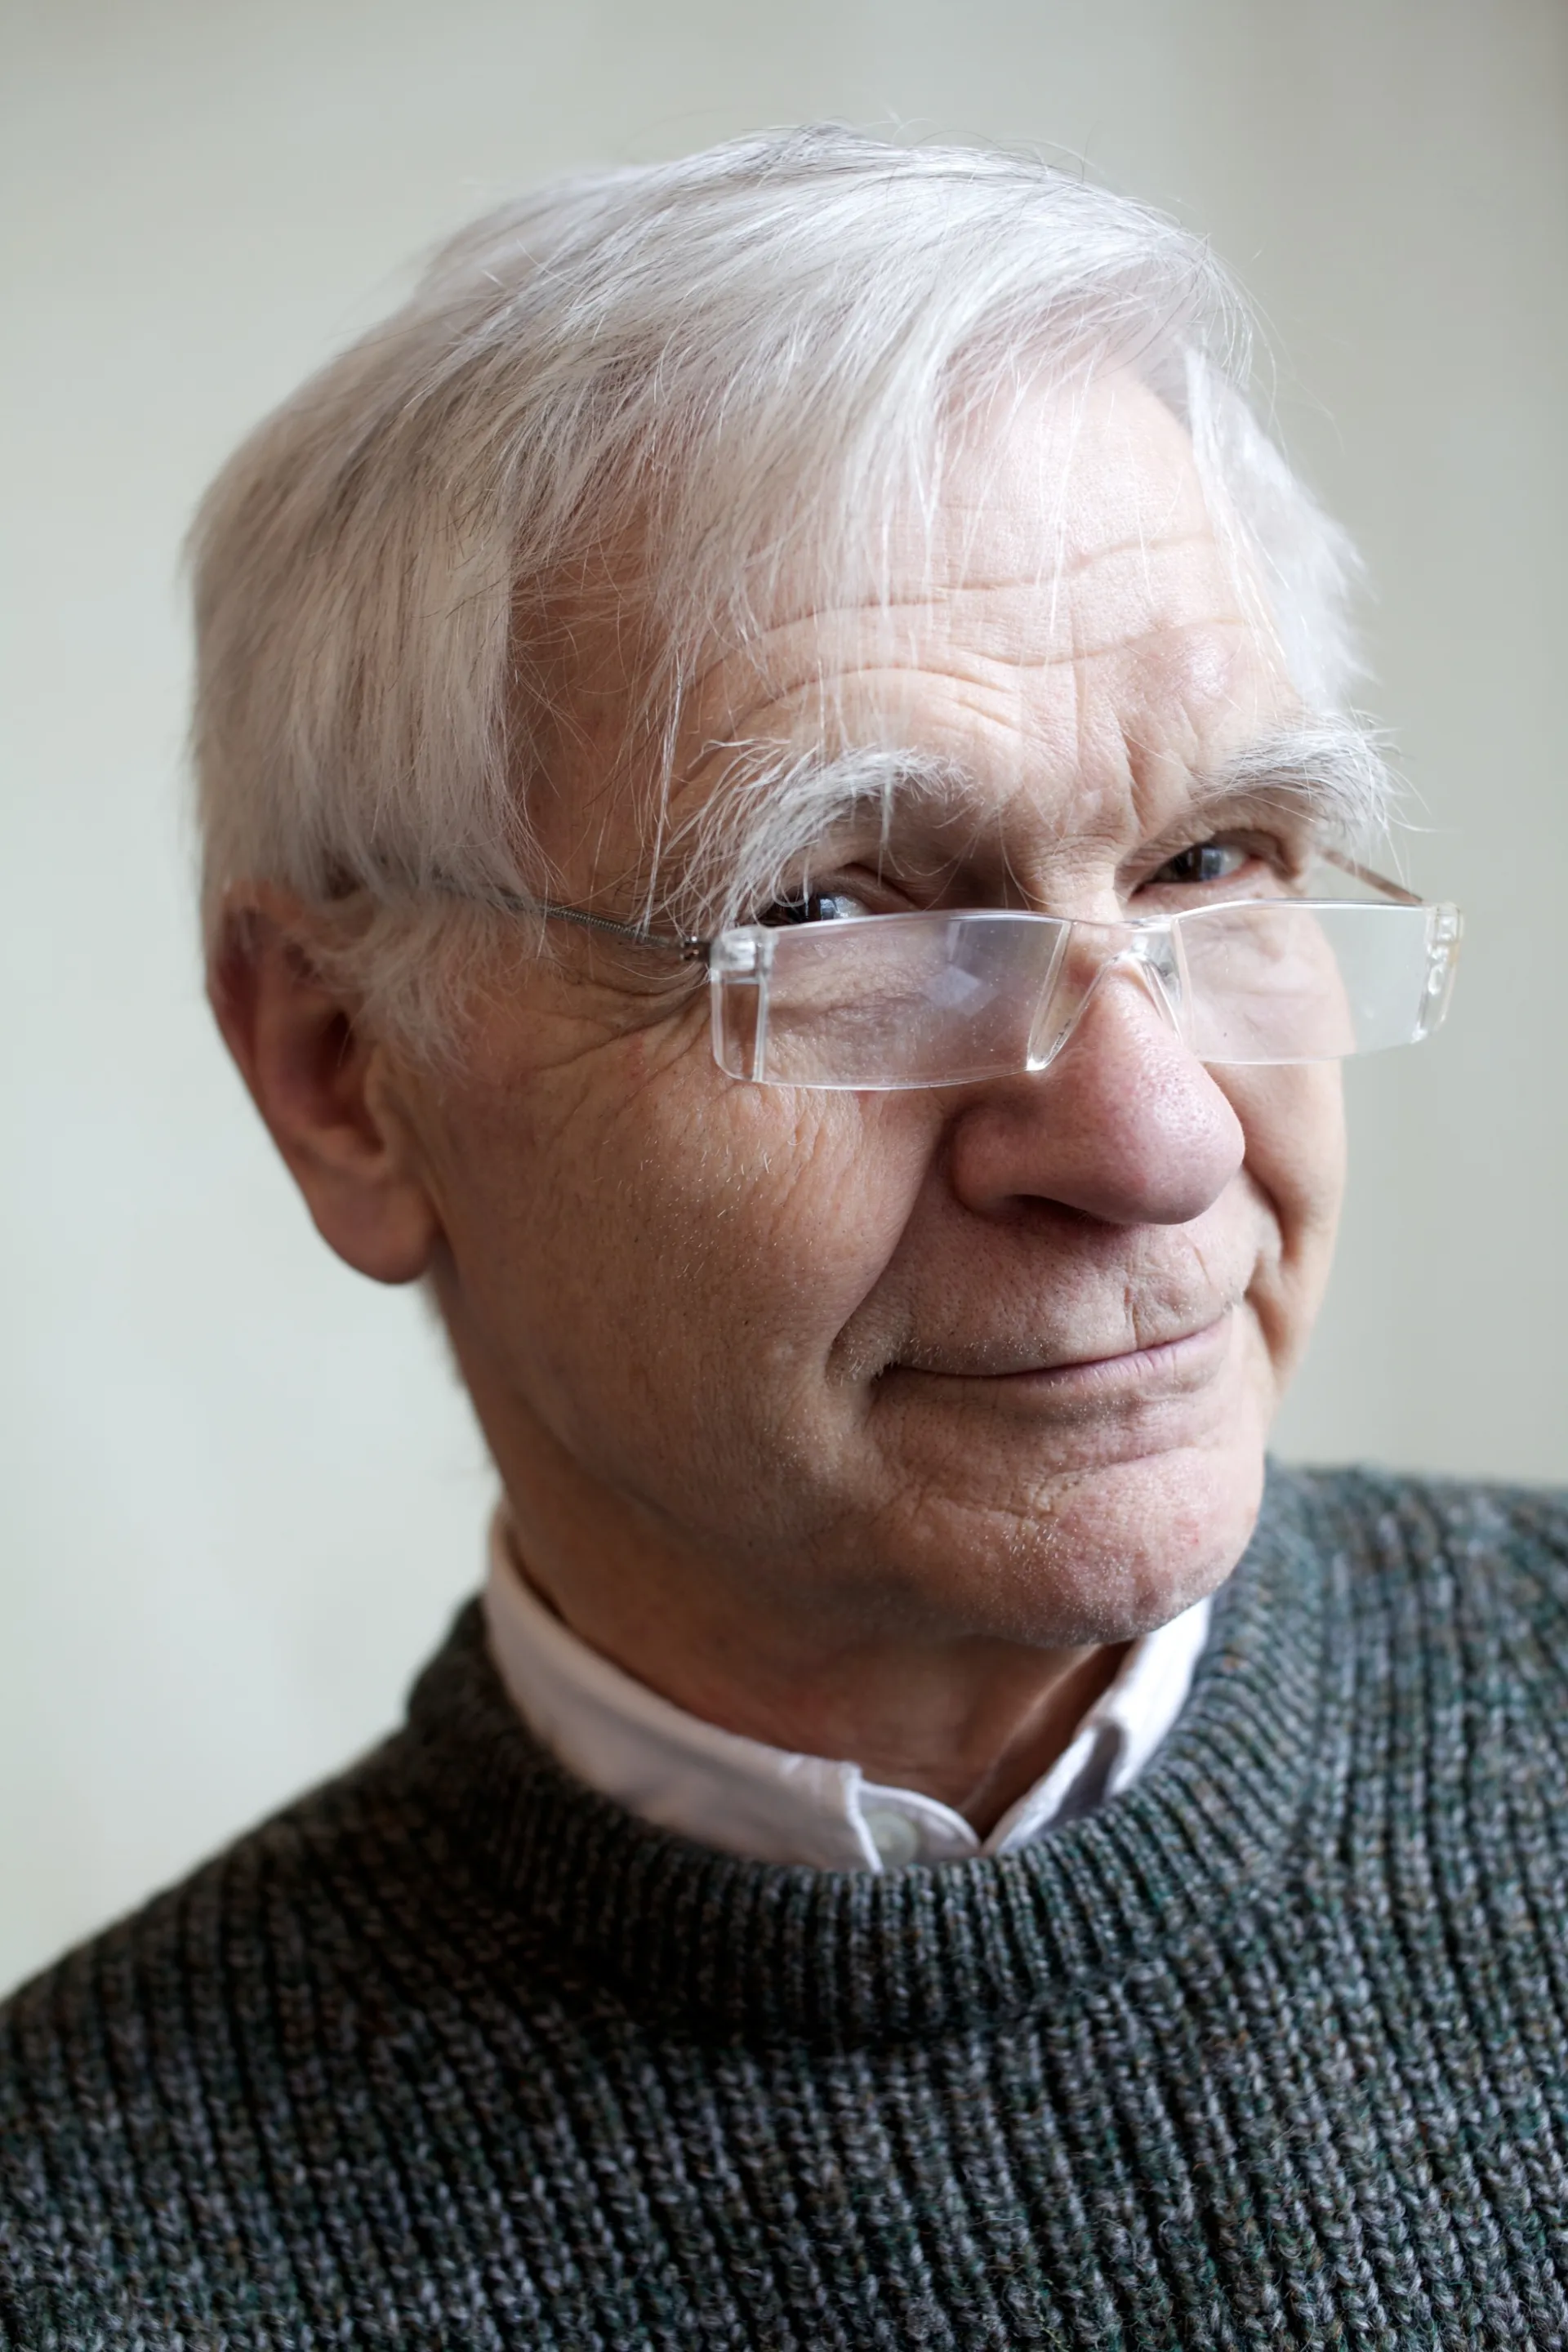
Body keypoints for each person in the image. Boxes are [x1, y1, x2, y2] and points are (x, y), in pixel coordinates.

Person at [1, 127, 1560, 2352]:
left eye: (1219, 858)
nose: (1146, 1136)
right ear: (347, 1069)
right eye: (829, 912)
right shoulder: (83, 2263)